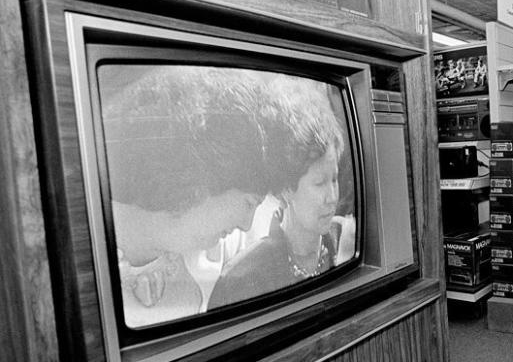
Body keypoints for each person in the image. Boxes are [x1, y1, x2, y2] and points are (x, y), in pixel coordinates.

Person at [101, 65, 271, 328]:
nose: (246, 224)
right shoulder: (91, 236)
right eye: (249, 203)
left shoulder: (221, 250)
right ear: (205, 174)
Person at [207, 75, 356, 309]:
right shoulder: (239, 281)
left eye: (335, 179)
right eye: (319, 183)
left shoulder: (348, 240)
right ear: (286, 189)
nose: (332, 197)